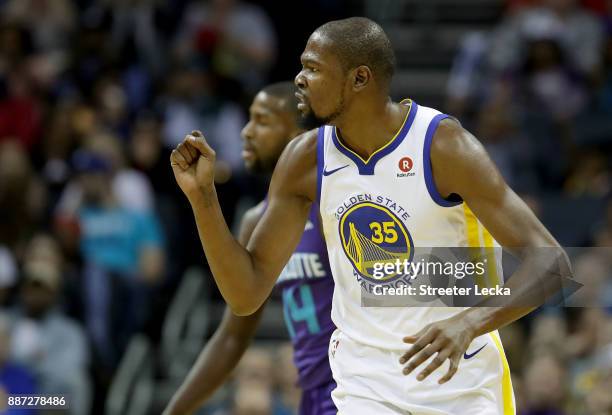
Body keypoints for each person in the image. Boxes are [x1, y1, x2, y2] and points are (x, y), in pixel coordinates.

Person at [171, 17, 568, 414]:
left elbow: (551, 265)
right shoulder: (305, 160)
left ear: (359, 78)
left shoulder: (442, 146)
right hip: (365, 387)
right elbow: (245, 294)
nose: (299, 79)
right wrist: (203, 197)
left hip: (460, 387)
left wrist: (469, 323)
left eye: (313, 68)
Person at [164, 82, 336, 415]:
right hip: (311, 396)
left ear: (297, 133)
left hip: (356, 389)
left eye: (262, 120)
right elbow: (232, 337)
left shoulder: (337, 202)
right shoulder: (257, 219)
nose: (246, 132)